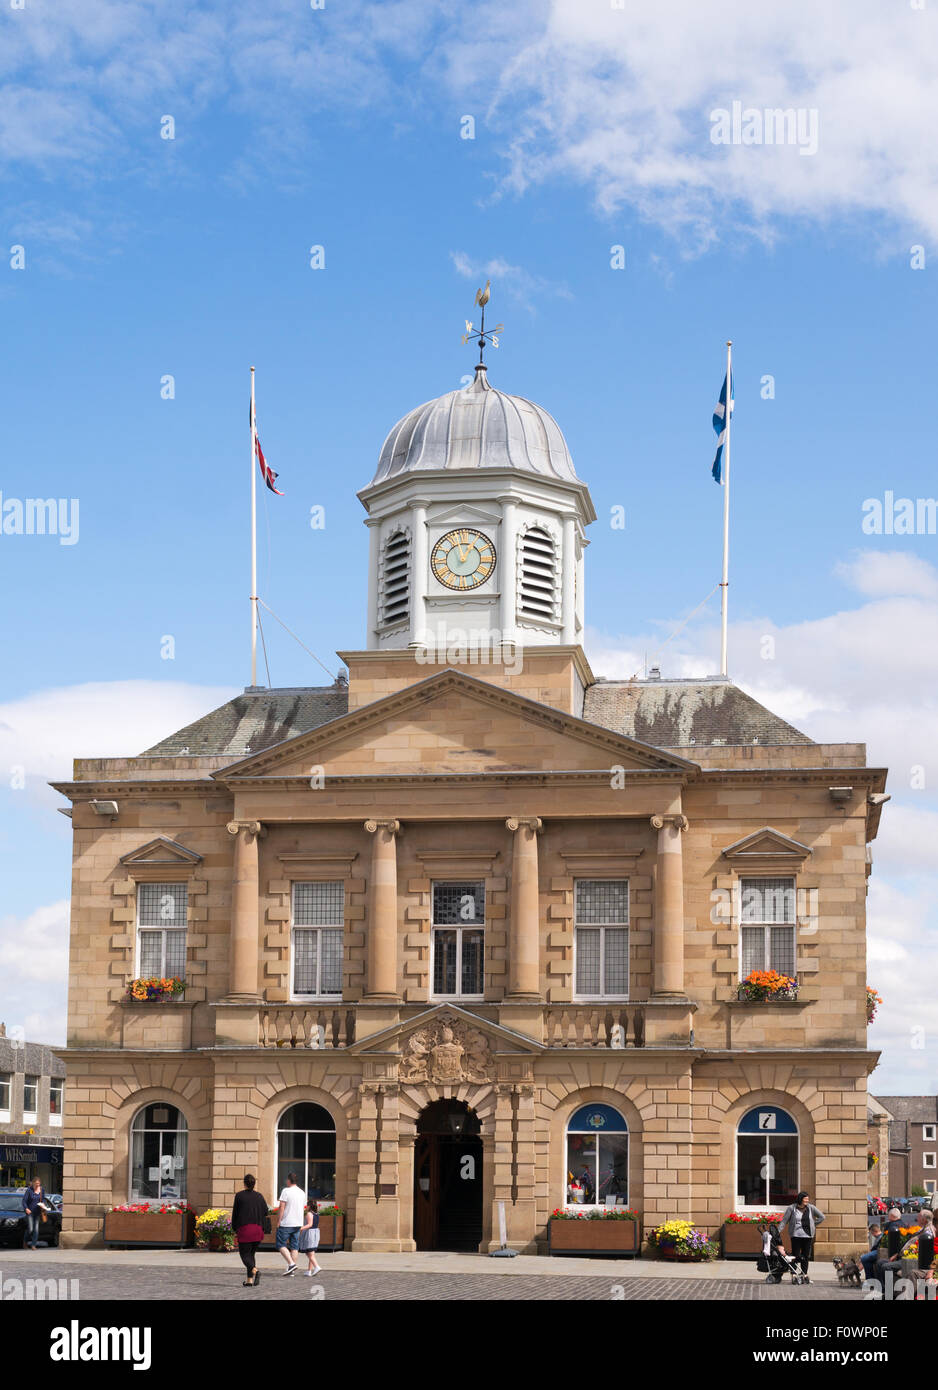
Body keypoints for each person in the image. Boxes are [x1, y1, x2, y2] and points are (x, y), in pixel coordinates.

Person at [231, 1174, 269, 1288]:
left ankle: (256, 1271)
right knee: (251, 1255)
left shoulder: (239, 1196)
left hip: (245, 1230)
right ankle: (249, 1280)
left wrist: (234, 1228)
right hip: (257, 1230)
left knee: (244, 1255)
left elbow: (235, 1214)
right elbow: (266, 1212)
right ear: (254, 1184)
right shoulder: (259, 1196)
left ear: (244, 1183)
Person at [779, 1191, 825, 1280]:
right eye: (805, 1199)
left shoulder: (811, 1208)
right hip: (795, 1235)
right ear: (800, 1199)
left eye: (808, 1199)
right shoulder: (792, 1208)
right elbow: (784, 1221)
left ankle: (804, 1273)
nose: (807, 1201)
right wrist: (778, 1231)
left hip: (808, 1236)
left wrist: (813, 1224)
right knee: (795, 1255)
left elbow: (822, 1217)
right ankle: (793, 1273)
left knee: (805, 1256)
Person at [276, 1172, 306, 1276]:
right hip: (298, 1223)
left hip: (286, 1222)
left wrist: (279, 1220)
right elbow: (303, 1207)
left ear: (289, 1180)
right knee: (294, 1247)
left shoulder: (286, 1191)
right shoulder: (302, 1192)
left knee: (280, 1244)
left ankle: (291, 1264)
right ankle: (291, 1270)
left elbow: (282, 1207)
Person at [21, 1177, 51, 1250]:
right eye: (36, 1183)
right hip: (30, 1212)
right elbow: (24, 1201)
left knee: (36, 1229)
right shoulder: (29, 1190)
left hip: (37, 1212)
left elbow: (43, 1199)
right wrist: (26, 1208)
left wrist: (43, 1205)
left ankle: (33, 1245)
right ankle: (25, 1242)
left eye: (38, 1183)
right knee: (30, 1229)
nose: (37, 1185)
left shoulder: (41, 1190)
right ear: (33, 1183)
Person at [298, 1204, 321, 1277]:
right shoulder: (316, 1214)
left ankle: (317, 1266)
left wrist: (300, 1228)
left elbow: (310, 1224)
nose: (306, 1206)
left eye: (307, 1205)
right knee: (311, 1253)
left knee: (309, 1252)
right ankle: (309, 1271)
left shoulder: (309, 1214)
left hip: (309, 1233)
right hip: (315, 1233)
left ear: (310, 1206)